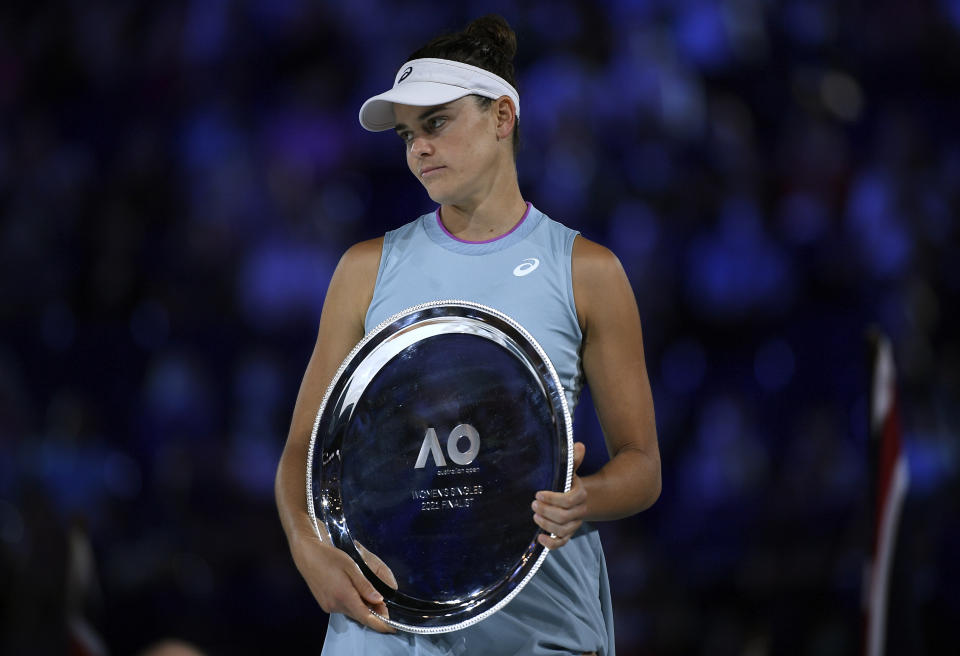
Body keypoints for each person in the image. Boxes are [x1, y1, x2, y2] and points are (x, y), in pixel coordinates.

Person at [275, 15, 660, 656]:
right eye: (407, 135)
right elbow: (301, 453)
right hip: (386, 623)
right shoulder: (365, 269)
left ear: (502, 117)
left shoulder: (588, 272)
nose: (418, 148)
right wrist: (309, 550)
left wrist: (583, 498)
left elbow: (642, 468)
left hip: (534, 621)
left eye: (437, 123)